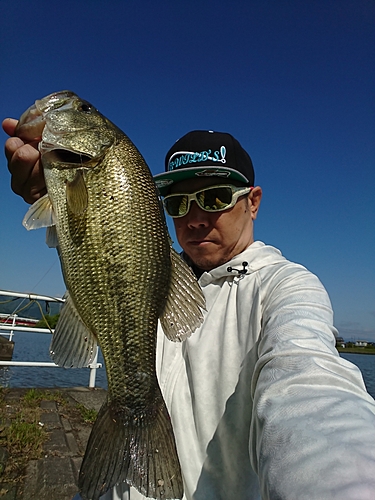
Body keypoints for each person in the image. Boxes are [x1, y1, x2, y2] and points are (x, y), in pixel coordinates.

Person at [3, 120, 375, 500]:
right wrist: (64, 196)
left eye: (215, 197)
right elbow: (94, 248)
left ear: (253, 201)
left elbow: (311, 387)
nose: (195, 217)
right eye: (178, 203)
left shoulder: (285, 287)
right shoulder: (151, 272)